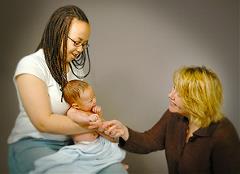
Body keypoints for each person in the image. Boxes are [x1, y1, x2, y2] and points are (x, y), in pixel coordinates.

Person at [8, 5, 127, 174]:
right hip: (33, 143)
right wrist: (95, 125)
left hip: (72, 144)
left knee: (116, 171)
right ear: (58, 33)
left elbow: (84, 109)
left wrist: (101, 126)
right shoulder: (31, 65)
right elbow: (44, 122)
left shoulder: (74, 70)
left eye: (84, 44)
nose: (80, 50)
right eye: (77, 42)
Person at [91, 66, 240, 174]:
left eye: (179, 93)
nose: (170, 95)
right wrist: (123, 131)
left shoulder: (223, 134)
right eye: (173, 88)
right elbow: (149, 141)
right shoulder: (174, 116)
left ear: (198, 98)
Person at [30, 80, 126, 174]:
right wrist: (88, 119)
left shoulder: (90, 109)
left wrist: (98, 112)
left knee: (112, 148)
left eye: (94, 97)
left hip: (97, 141)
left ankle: (112, 162)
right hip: (83, 146)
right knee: (76, 160)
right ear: (76, 105)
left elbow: (100, 120)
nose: (94, 101)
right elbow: (78, 119)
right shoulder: (73, 111)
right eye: (90, 100)